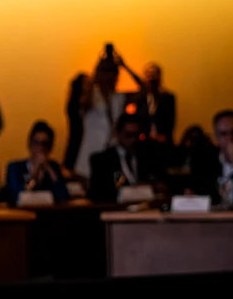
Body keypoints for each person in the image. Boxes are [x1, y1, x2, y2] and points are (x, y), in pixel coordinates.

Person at [73, 51, 131, 182]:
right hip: (90, 151)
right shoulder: (92, 96)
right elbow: (83, 102)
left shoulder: (119, 98)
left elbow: (144, 91)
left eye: (111, 73)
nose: (108, 77)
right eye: (105, 73)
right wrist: (97, 69)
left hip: (111, 152)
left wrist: (125, 65)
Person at [88, 113, 161, 203]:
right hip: (114, 209)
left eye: (136, 135)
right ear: (118, 133)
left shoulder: (147, 157)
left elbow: (156, 183)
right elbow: (98, 192)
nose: (133, 139)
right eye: (128, 135)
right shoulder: (103, 160)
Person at [5, 121, 70, 206]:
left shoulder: (54, 167)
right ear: (30, 143)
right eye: (36, 143)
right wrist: (35, 172)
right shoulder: (15, 168)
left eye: (44, 144)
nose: (40, 148)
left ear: (50, 147)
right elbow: (16, 196)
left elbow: (63, 196)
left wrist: (49, 169)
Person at [131, 62, 176, 145]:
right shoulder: (141, 99)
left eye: (154, 75)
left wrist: (163, 135)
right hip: (144, 142)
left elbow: (171, 120)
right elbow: (138, 119)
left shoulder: (167, 97)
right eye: (149, 75)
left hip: (163, 142)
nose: (151, 78)